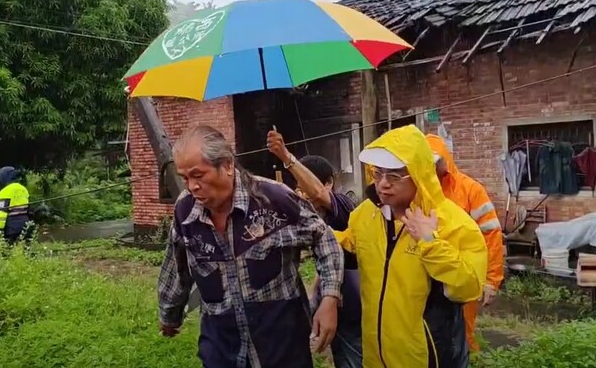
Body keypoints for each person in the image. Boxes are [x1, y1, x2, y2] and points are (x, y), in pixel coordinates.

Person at [158, 125, 344, 368]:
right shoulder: (185, 211)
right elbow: (177, 263)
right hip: (222, 348)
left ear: (226, 165)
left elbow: (324, 239)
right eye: (185, 178)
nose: (191, 186)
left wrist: (329, 298)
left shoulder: (273, 200)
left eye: (198, 175)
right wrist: (169, 314)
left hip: (282, 345)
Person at [334, 125, 487, 368]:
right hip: (376, 355)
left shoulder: (453, 224)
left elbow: (468, 287)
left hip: (428, 357)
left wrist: (430, 243)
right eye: (378, 174)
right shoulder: (366, 214)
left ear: (419, 174)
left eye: (394, 176)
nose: (383, 184)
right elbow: (350, 241)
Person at [266, 129, 362, 368]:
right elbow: (326, 260)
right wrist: (315, 294)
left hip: (356, 304)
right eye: (297, 188)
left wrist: (286, 156)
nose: (301, 193)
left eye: (303, 186)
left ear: (329, 182)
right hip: (335, 304)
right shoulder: (307, 219)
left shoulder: (343, 205)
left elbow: (318, 192)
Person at [426, 134, 505, 353]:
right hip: (426, 277)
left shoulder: (470, 190)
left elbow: (491, 234)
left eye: (436, 163)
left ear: (446, 160)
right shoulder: (419, 191)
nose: (433, 169)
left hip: (463, 276)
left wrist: (491, 280)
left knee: (462, 334)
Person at [0, 166, 31, 245]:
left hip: (11, 227)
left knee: (7, 251)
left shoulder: (4, 192)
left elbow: (1, 213)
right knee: (25, 249)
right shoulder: (23, 189)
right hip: (25, 224)